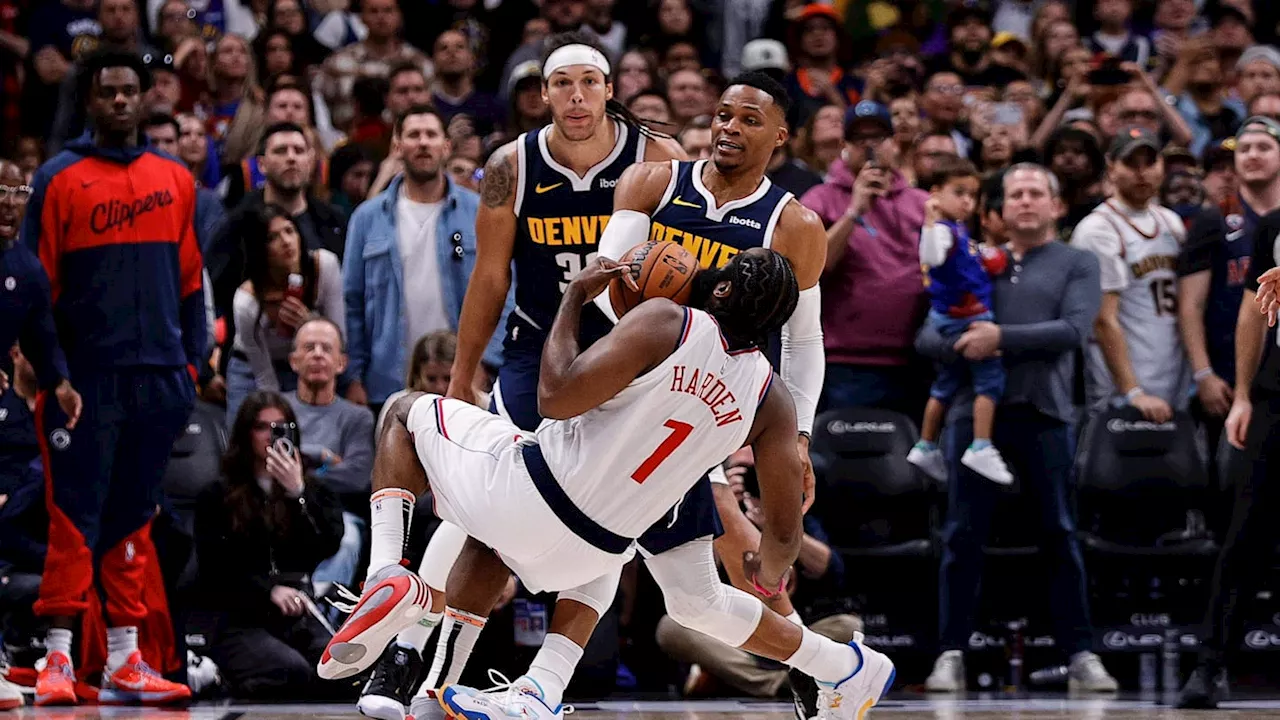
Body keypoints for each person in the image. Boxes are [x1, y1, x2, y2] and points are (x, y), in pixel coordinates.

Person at [329, 249, 894, 720]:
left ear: (721, 291)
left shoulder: (668, 320)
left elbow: (554, 396)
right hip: (596, 560)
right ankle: (446, 693)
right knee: (492, 534)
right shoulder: (773, 400)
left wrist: (573, 299)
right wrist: (766, 572)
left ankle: (387, 573)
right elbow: (785, 532)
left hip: (534, 496)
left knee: (404, 414)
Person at [425, 66, 829, 720]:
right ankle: (818, 663)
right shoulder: (652, 182)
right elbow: (608, 292)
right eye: (723, 114)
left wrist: (799, 435)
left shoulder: (794, 224)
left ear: (780, 136)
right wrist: (667, 306)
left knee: (726, 551)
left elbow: (805, 345)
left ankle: (814, 664)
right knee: (681, 571)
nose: (729, 127)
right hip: (637, 383)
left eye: (749, 120)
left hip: (707, 397)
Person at [353, 33, 688, 720]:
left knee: (612, 518)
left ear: (609, 89)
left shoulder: (658, 158)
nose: (574, 97)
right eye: (560, 84)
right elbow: (487, 277)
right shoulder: (512, 165)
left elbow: (690, 270)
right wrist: (461, 379)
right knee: (479, 507)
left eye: (587, 83)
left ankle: (538, 682)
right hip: (540, 350)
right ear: (543, 95)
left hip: (630, 357)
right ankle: (406, 650)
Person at [22, 48, 204, 706]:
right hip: (83, 383)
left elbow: (190, 283)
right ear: (91, 100)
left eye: (132, 91)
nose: (122, 102)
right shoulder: (58, 177)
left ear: (145, 96)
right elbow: (37, 288)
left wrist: (190, 366)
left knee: (133, 521)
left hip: (158, 377)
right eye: (110, 93)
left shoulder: (174, 177)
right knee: (73, 520)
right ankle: (59, 661)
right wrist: (53, 373)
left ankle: (127, 661)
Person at [916, 164, 1117, 693]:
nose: (1025, 201)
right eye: (1015, 194)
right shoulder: (975, 258)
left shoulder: (1078, 261)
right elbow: (928, 335)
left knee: (1059, 534)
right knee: (962, 536)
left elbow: (1073, 330)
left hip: (1046, 413)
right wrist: (967, 342)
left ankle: (1080, 654)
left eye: (1036, 193)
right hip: (972, 412)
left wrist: (997, 337)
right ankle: (951, 652)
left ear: (1056, 205)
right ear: (1000, 208)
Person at [343, 105, 505, 418]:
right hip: (388, 378)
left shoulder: (478, 212)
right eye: (413, 135)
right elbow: (352, 303)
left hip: (464, 375)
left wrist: (487, 360)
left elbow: (506, 289)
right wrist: (354, 375)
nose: (422, 142)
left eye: (431, 134)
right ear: (397, 146)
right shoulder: (366, 218)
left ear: (446, 146)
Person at [193, 391, 345, 699]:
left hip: (293, 615)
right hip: (239, 616)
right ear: (246, 433)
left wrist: (297, 494)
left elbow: (326, 545)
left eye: (280, 427)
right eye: (262, 427)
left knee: (338, 673)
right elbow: (214, 564)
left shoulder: (311, 490)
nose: (271, 436)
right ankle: (219, 677)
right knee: (291, 673)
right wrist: (267, 589)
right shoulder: (218, 494)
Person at [1177, 117, 1280, 465]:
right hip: (1225, 371)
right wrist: (1203, 373)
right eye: (1245, 148)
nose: (1253, 155)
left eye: (1263, 147)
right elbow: (1190, 304)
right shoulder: (1213, 219)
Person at [1071, 126, 1191, 422]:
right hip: (1122, 394)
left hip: (1175, 382)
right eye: (1131, 164)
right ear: (1111, 168)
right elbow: (1103, 320)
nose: (1142, 173)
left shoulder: (1171, 222)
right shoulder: (1097, 230)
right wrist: (1132, 391)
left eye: (1149, 163)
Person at [907, 156, 1012, 485]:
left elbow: (974, 258)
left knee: (945, 385)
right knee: (990, 381)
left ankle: (925, 445)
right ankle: (981, 446)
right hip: (967, 319)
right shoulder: (941, 230)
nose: (967, 201)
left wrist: (990, 256)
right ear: (936, 193)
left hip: (957, 316)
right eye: (959, 192)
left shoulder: (958, 231)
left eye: (972, 195)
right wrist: (929, 217)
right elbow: (933, 256)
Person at [226, 204, 345, 425]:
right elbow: (264, 376)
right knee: (249, 438)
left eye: (290, 231)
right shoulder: (246, 301)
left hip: (305, 361)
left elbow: (339, 335)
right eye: (272, 237)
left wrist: (310, 325)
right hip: (251, 368)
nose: (286, 242)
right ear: (259, 249)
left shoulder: (324, 266)